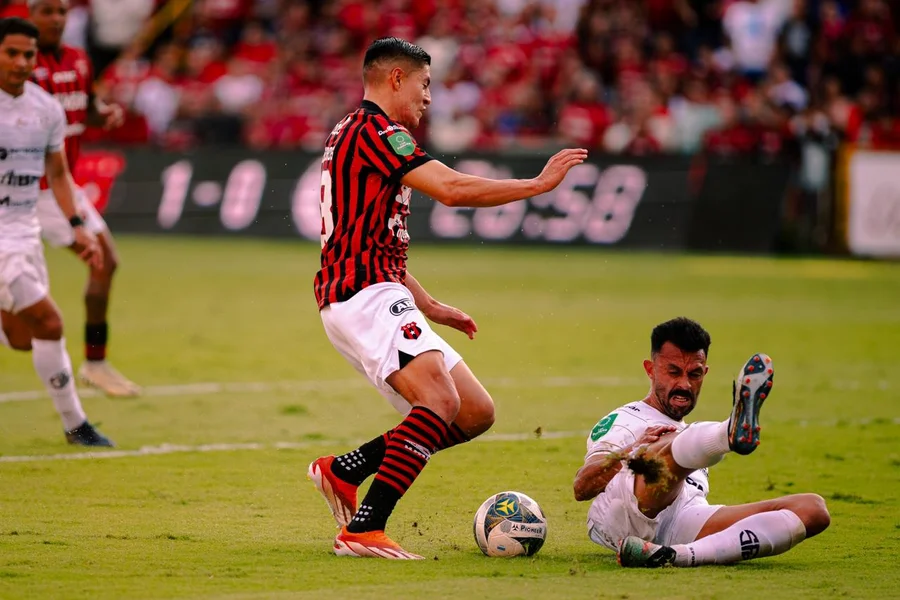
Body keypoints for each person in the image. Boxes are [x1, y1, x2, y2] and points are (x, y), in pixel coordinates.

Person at [307, 37, 587, 560]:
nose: (428, 97)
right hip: (363, 294)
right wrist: (536, 185)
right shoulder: (377, 132)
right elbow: (453, 189)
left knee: (474, 412)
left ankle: (342, 470)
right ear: (395, 79)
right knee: (438, 402)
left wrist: (429, 305)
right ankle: (364, 528)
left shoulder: (350, 130)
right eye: (424, 84)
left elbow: (368, 235)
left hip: (371, 288)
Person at [573, 317, 830, 567]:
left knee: (812, 510)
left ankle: (677, 556)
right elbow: (582, 487)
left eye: (694, 374)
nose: (684, 384)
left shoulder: (689, 435)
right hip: (626, 515)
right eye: (673, 372)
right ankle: (726, 434)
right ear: (650, 370)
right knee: (665, 448)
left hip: (683, 518)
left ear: (705, 373)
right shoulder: (624, 419)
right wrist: (631, 451)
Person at [2, 0, 140, 397]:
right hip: (27, 191)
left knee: (106, 261)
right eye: (46, 11)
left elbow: (85, 107)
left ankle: (95, 363)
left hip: (62, 186)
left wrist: (104, 113)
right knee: (22, 337)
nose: (56, 19)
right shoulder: (21, 68)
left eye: (62, 11)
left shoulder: (78, 60)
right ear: (30, 16)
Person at [0, 16, 113, 446]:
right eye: (12, 52)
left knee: (21, 338)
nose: (22, 62)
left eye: (28, 54)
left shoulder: (45, 108)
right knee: (49, 322)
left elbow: (60, 174)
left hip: (24, 232)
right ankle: (76, 425)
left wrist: (78, 226)